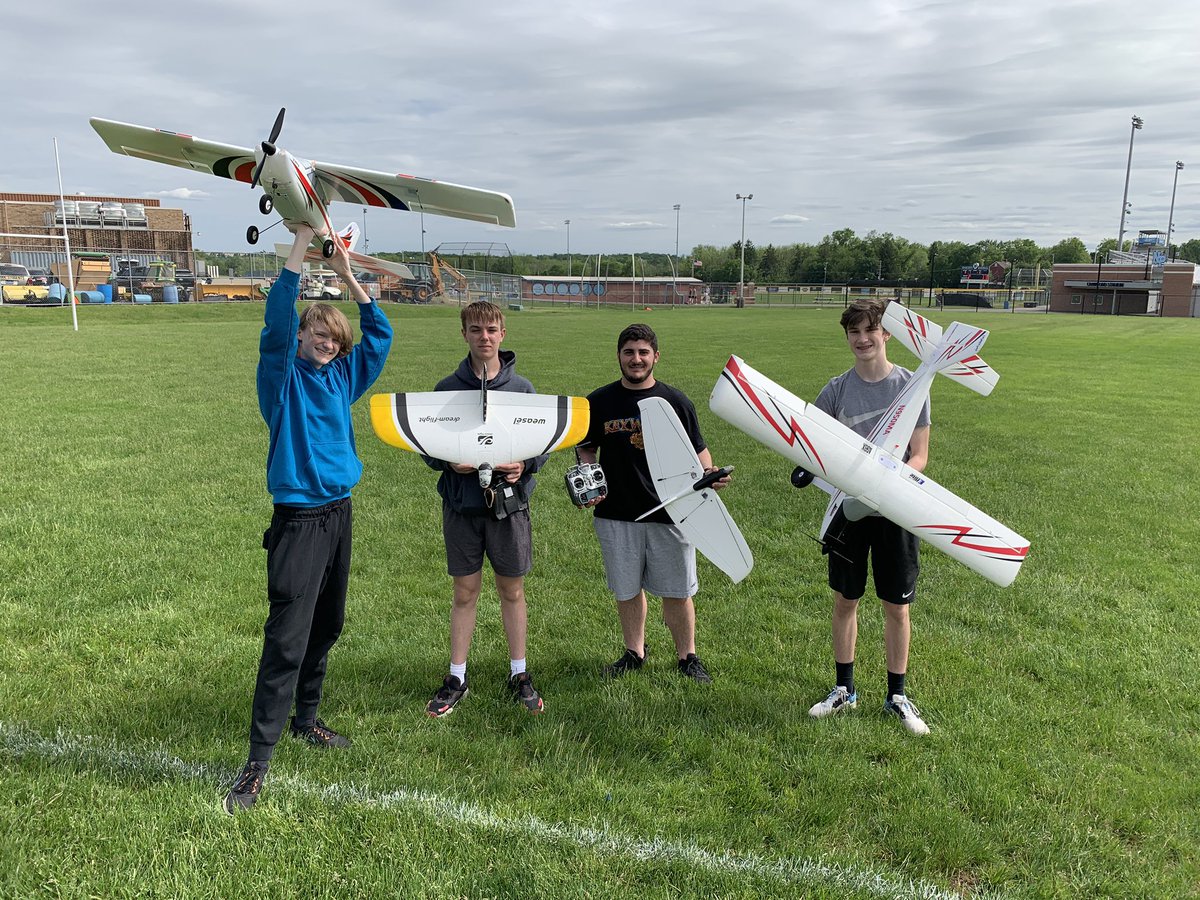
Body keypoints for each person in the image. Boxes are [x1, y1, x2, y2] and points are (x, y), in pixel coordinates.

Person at [224, 225, 394, 813]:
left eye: (334, 337)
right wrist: (300, 245)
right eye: (317, 333)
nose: (326, 342)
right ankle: (257, 762)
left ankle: (307, 719)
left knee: (327, 625)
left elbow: (380, 336)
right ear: (301, 336)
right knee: (287, 638)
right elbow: (274, 321)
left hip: (339, 514)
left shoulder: (342, 377)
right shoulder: (282, 378)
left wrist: (349, 276)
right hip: (298, 519)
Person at [576, 323, 730, 683]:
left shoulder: (675, 401)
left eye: (643, 352)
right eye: (629, 352)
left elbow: (700, 452)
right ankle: (634, 652)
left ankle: (687, 656)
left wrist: (710, 474)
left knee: (677, 591)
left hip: (671, 513)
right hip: (616, 514)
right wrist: (589, 475)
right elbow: (586, 446)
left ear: (656, 356)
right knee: (627, 590)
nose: (636, 359)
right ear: (619, 356)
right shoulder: (599, 401)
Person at [807, 298, 931, 735]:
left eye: (870, 330)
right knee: (846, 600)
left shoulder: (911, 385)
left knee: (897, 605)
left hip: (895, 510)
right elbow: (812, 441)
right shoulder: (836, 389)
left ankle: (897, 696)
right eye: (854, 332)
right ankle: (844, 689)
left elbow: (920, 455)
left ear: (886, 334)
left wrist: (888, 486)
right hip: (850, 511)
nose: (862, 339)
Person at [423, 301, 548, 718]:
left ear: (503, 334)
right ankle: (456, 677)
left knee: (512, 590)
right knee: (464, 592)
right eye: (475, 330)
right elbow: (427, 445)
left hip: (508, 508)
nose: (484, 337)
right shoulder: (446, 389)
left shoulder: (522, 389)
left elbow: (542, 442)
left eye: (491, 329)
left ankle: (519, 673)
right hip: (462, 507)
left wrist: (525, 464)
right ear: (464, 334)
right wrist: (449, 461)